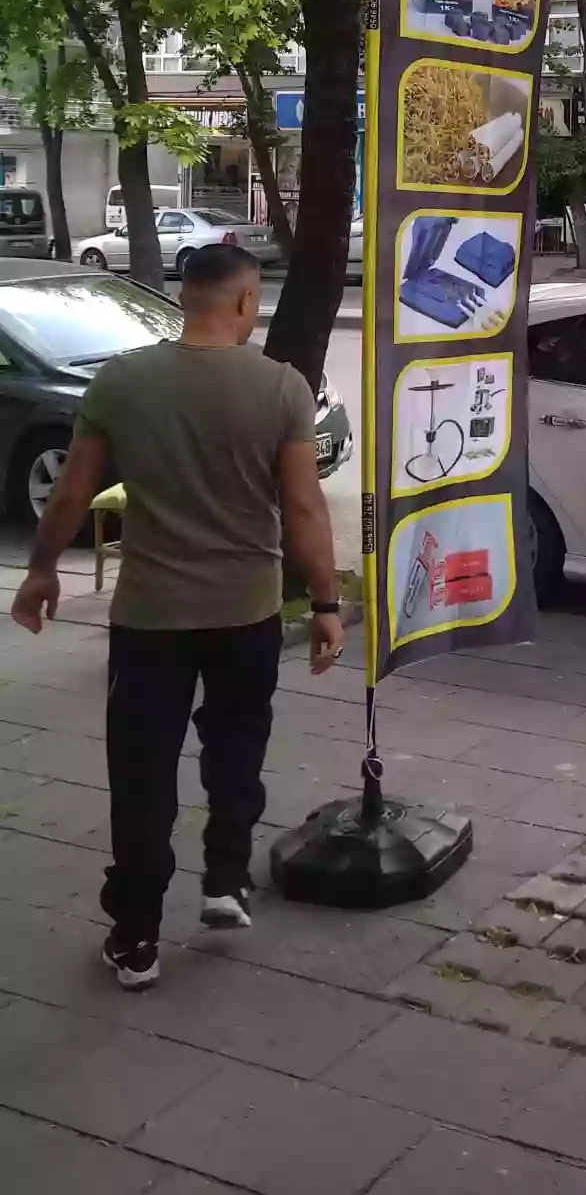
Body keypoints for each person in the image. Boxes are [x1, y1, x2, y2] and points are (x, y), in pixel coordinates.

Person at [8, 244, 343, 991]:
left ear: (185, 297)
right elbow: (303, 507)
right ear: (246, 301)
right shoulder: (281, 387)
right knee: (236, 748)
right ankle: (226, 880)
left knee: (141, 772)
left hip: (150, 616)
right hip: (246, 611)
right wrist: (324, 603)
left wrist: (41, 570)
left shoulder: (122, 380)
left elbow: (71, 492)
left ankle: (135, 935)